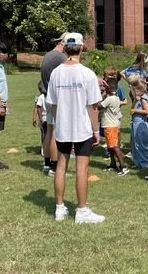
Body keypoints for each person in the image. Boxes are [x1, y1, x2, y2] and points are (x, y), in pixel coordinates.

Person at [46, 33, 105, 224]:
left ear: (65, 47)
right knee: (82, 168)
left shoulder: (56, 73)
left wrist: (56, 124)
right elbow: (93, 107)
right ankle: (81, 210)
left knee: (61, 166)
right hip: (82, 128)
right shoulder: (87, 74)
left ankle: (59, 208)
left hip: (63, 127)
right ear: (81, 48)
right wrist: (96, 131)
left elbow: (52, 104)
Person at [40, 33, 67, 175]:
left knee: (49, 132)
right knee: (56, 133)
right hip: (55, 100)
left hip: (47, 97)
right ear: (63, 42)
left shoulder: (49, 55)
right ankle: (55, 167)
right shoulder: (60, 57)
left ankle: (46, 164)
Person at [97, 77, 129, 175]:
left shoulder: (109, 99)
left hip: (110, 126)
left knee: (114, 147)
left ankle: (123, 166)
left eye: (105, 86)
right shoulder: (116, 98)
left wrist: (101, 95)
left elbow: (98, 106)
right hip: (111, 125)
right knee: (110, 146)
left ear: (109, 89)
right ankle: (113, 164)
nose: (103, 88)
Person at [129, 79, 148, 169]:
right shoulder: (137, 98)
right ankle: (138, 161)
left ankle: (146, 162)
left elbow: (147, 111)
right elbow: (131, 109)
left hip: (141, 123)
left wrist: (135, 110)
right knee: (135, 143)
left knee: (141, 143)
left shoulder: (143, 99)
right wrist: (134, 101)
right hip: (135, 122)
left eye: (134, 90)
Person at [32, 80, 47, 155]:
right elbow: (36, 107)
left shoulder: (43, 96)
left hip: (44, 118)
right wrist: (35, 118)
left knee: (44, 134)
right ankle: (44, 149)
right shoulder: (39, 97)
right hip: (43, 118)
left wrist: (34, 118)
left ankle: (45, 148)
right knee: (44, 133)